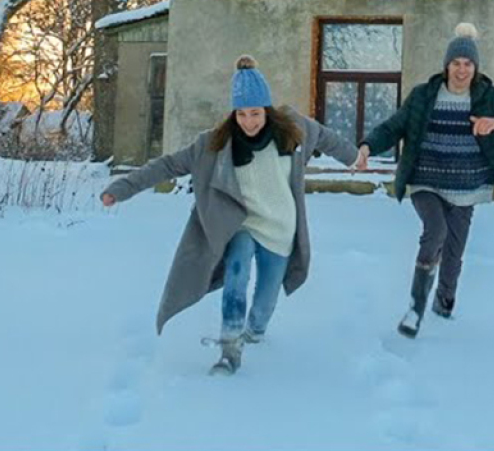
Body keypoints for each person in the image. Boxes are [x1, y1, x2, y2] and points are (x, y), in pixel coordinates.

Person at [100, 55, 359, 375]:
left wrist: (353, 157)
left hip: (280, 228)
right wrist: (121, 189)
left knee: (266, 300)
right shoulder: (214, 144)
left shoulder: (294, 131)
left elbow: (327, 138)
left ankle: (255, 330)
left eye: (255, 113)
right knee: (236, 274)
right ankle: (230, 348)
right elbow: (168, 165)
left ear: (267, 110)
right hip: (242, 224)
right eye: (241, 114)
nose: (249, 122)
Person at [355, 22, 494, 337]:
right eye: (456, 63)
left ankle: (444, 305)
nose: (462, 70)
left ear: (475, 67)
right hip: (425, 179)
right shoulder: (424, 96)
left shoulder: (489, 98)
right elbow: (394, 126)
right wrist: (368, 146)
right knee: (435, 231)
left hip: (467, 187)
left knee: (454, 252)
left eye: (468, 64)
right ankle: (415, 309)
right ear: (446, 65)